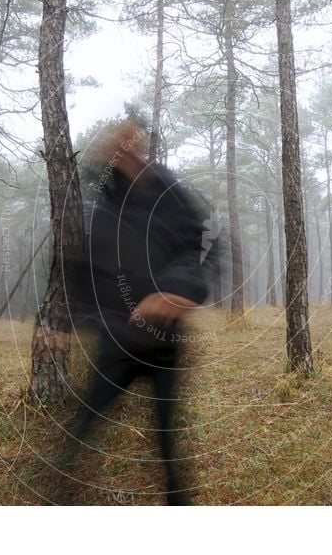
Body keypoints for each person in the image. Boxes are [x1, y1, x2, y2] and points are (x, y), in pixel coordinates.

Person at [62, 119, 209, 506]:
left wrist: (177, 291)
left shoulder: (169, 195)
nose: (125, 146)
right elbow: (86, 272)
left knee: (167, 440)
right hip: (116, 344)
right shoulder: (104, 205)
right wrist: (71, 324)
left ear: (139, 143)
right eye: (115, 142)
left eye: (131, 139)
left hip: (163, 341)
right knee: (82, 428)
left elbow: (200, 246)